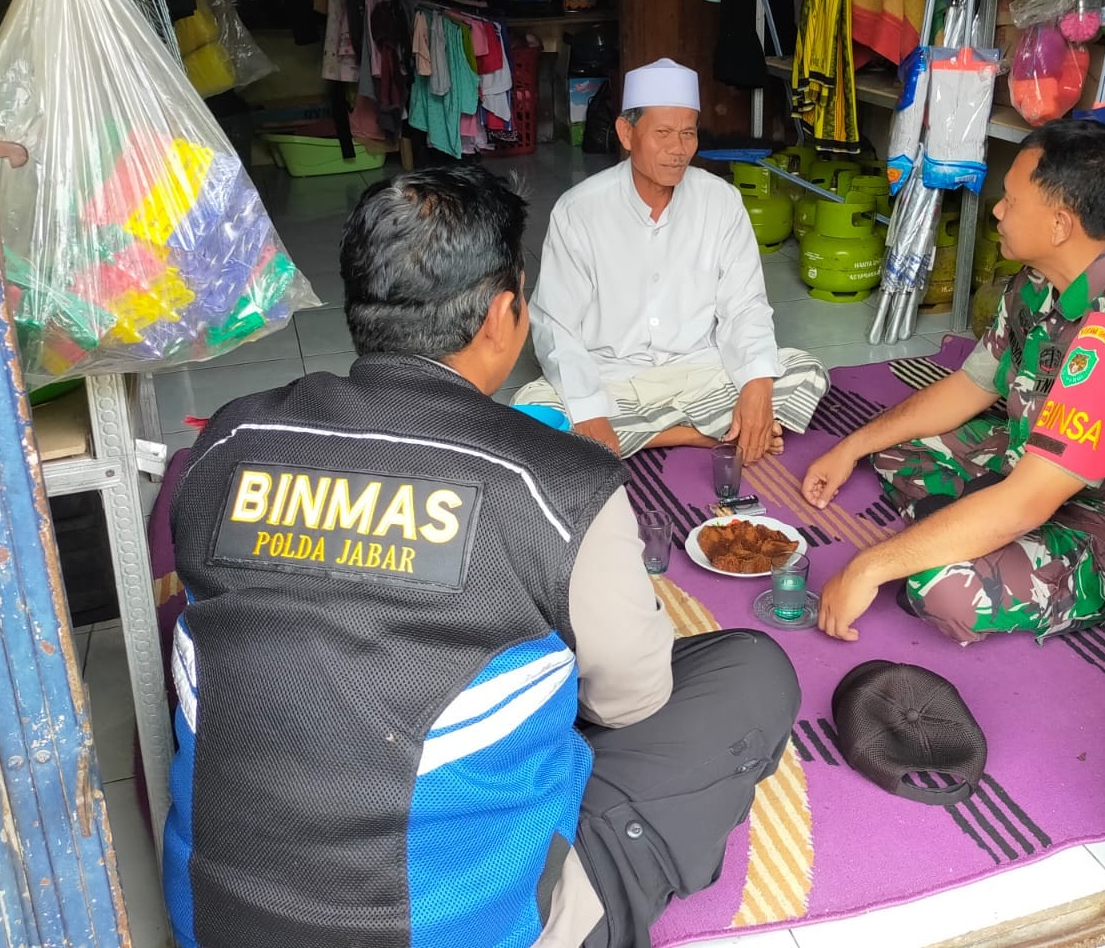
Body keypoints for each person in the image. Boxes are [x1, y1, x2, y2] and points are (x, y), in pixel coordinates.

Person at [160, 164, 801, 948]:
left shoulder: (227, 438)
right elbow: (629, 704)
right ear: (504, 315)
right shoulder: (561, 482)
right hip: (454, 926)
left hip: (220, 922)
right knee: (747, 673)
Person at [799, 119, 1105, 645]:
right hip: (1044, 465)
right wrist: (851, 446)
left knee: (944, 589)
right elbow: (970, 387)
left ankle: (981, 534)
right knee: (893, 446)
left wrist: (868, 566)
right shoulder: (1037, 281)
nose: (997, 211)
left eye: (1010, 199)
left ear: (1059, 225)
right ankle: (979, 528)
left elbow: (1026, 501)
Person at [514, 57, 829, 462]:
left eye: (687, 134)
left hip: (701, 372)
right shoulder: (579, 211)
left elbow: (745, 305)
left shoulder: (722, 201)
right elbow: (554, 325)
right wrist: (590, 411)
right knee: (532, 416)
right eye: (662, 133)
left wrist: (756, 388)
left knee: (804, 371)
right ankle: (704, 435)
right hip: (611, 378)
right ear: (627, 133)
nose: (678, 150)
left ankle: (656, 434)